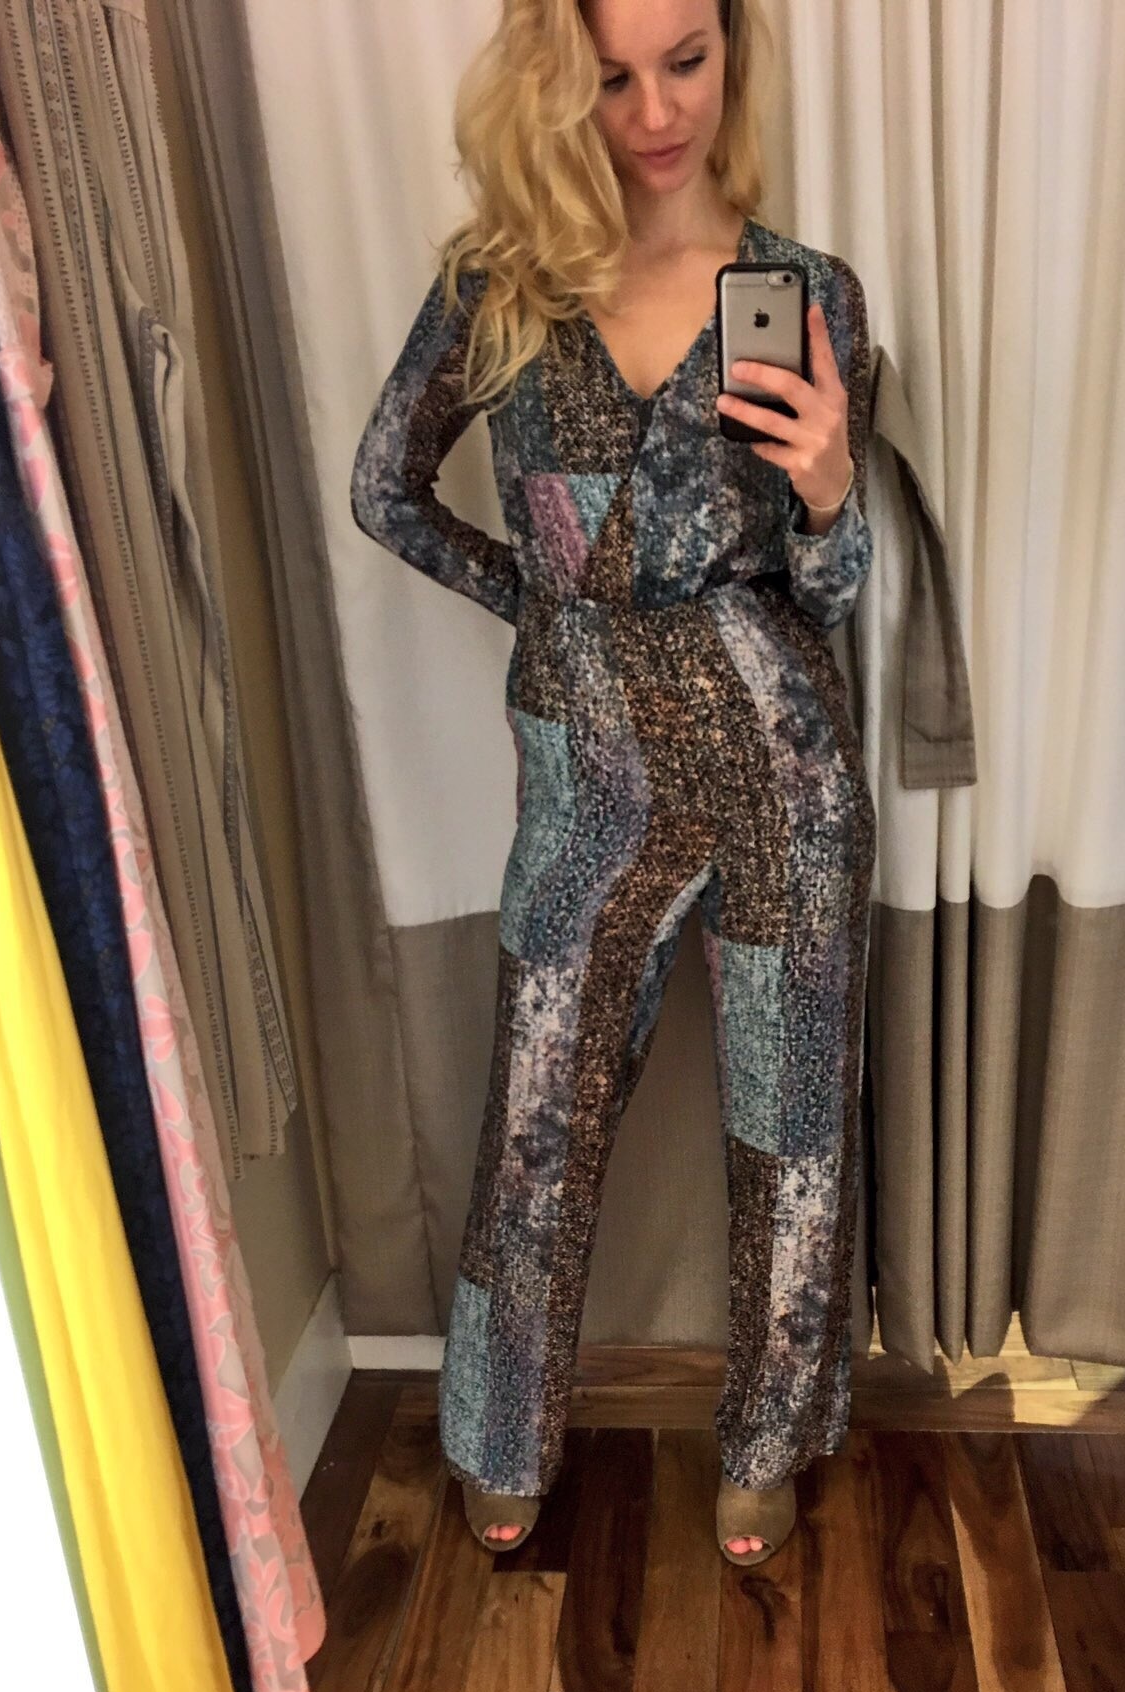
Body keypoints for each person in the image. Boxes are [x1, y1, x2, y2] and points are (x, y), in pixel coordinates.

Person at [349, 0, 875, 1565]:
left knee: (790, 1140)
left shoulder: (799, 291)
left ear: (733, 54)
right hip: (590, 786)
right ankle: (501, 1432)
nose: (654, 113)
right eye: (611, 75)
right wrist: (543, 601)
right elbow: (385, 490)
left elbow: (827, 593)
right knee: (539, 1127)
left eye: (685, 61)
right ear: (556, 79)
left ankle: (767, 1444)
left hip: (781, 771)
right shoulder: (501, 286)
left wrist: (832, 492)